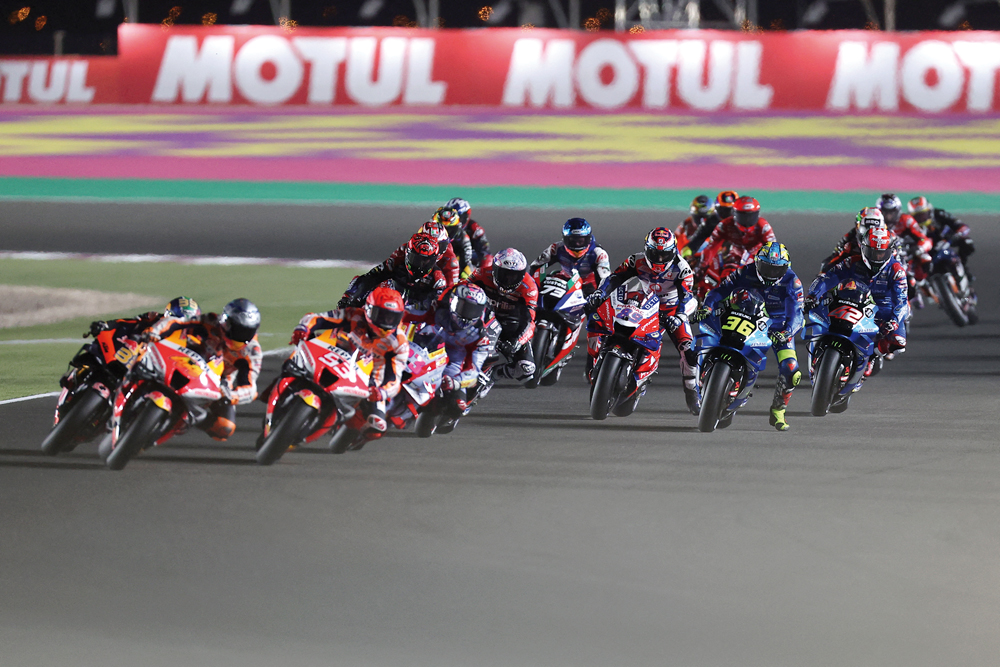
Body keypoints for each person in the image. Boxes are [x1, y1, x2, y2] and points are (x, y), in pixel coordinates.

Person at [584, 227, 700, 413]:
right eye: (655, 253)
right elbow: (614, 278)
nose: (659, 259)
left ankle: (691, 390)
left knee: (689, 350)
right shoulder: (635, 260)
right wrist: (600, 293)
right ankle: (594, 358)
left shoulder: (682, 268)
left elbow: (686, 296)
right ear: (647, 250)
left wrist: (679, 316)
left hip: (670, 312)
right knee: (601, 317)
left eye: (664, 254)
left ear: (673, 251)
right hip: (641, 302)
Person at [698, 242, 804, 431]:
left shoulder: (792, 281)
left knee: (792, 370)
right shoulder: (743, 272)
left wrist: (787, 331)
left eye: (776, 269)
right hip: (743, 314)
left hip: (776, 325)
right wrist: (707, 307)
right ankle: (700, 377)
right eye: (766, 267)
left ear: (785, 268)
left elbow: (796, 312)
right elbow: (719, 291)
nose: (771, 273)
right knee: (706, 337)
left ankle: (779, 410)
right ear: (757, 263)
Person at [292, 287, 408, 445]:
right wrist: (303, 328)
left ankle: (356, 436)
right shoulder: (353, 314)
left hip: (370, 378)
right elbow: (316, 318)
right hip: (335, 354)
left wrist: (382, 392)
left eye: (392, 318)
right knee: (293, 361)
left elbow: (395, 377)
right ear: (368, 310)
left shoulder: (399, 343)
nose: (386, 322)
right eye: (382, 316)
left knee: (378, 426)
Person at [146, 298, 263, 440]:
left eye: (247, 332)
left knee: (225, 428)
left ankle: (188, 418)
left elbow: (251, 388)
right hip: (189, 358)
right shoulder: (209, 320)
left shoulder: (252, 351)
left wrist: (232, 396)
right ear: (226, 322)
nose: (241, 336)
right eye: (238, 329)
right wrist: (154, 331)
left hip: (219, 381)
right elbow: (178, 321)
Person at [806, 225, 908, 361]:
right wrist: (813, 295)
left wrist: (894, 321)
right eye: (873, 252)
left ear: (890, 252)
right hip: (853, 300)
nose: (877, 257)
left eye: (881, 253)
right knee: (821, 312)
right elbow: (827, 277)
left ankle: (871, 356)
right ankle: (820, 345)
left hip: (882, 309)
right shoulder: (851, 262)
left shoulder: (896, 270)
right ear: (863, 249)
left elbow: (901, 300)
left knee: (899, 342)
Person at [425, 283, 495, 425]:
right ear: (452, 301)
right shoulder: (435, 309)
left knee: (458, 407)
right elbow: (410, 318)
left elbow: (474, 369)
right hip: (425, 353)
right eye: (463, 306)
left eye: (473, 310)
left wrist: (457, 382)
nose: (467, 313)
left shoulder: (479, 334)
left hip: (452, 365)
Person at [467, 247, 538, 382]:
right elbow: (460, 290)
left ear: (522, 274)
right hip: (481, 321)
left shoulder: (529, 287)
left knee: (527, 370)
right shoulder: (480, 274)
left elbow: (530, 321)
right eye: (504, 274)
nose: (508, 280)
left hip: (510, 327)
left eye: (514, 276)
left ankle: (495, 374)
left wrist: (516, 342)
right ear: (494, 270)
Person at [339, 232, 446, 321]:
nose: (420, 265)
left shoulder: (438, 280)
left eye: (426, 261)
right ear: (408, 254)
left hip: (415, 318)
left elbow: (440, 310)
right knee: (385, 284)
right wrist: (350, 298)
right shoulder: (395, 262)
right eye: (416, 259)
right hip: (387, 308)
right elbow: (369, 277)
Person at [691, 196, 777, 287]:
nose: (747, 220)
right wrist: (701, 267)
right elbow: (711, 247)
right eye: (743, 216)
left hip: (756, 258)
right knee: (713, 275)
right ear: (735, 214)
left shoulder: (764, 226)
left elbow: (772, 249)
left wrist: (772, 269)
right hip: (733, 257)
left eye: (751, 216)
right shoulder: (725, 225)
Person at [528, 217, 611, 295]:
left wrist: (598, 294)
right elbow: (535, 266)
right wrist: (535, 286)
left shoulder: (599, 253)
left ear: (588, 239)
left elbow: (605, 280)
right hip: (565, 279)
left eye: (581, 241)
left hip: (589, 283)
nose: (577, 244)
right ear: (564, 239)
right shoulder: (556, 248)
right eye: (572, 240)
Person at [820, 207, 894, 272]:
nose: (871, 236)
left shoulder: (892, 238)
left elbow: (901, 263)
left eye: (876, 229)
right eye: (867, 230)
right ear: (857, 227)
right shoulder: (848, 238)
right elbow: (830, 263)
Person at [908, 196, 975, 267]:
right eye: (917, 216)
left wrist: (956, 235)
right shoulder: (910, 224)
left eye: (923, 215)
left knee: (967, 243)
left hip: (947, 240)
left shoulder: (939, 214)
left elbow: (963, 226)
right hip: (928, 248)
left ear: (929, 210)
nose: (922, 219)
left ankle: (963, 265)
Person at [446, 197, 491, 272]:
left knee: (488, 259)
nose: (454, 220)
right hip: (447, 258)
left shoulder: (476, 230)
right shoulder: (442, 227)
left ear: (465, 216)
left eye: (458, 217)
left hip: (468, 261)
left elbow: (485, 253)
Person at [417, 220, 460, 288]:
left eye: (437, 244)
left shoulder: (451, 261)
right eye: (426, 243)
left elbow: (450, 291)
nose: (432, 248)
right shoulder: (412, 248)